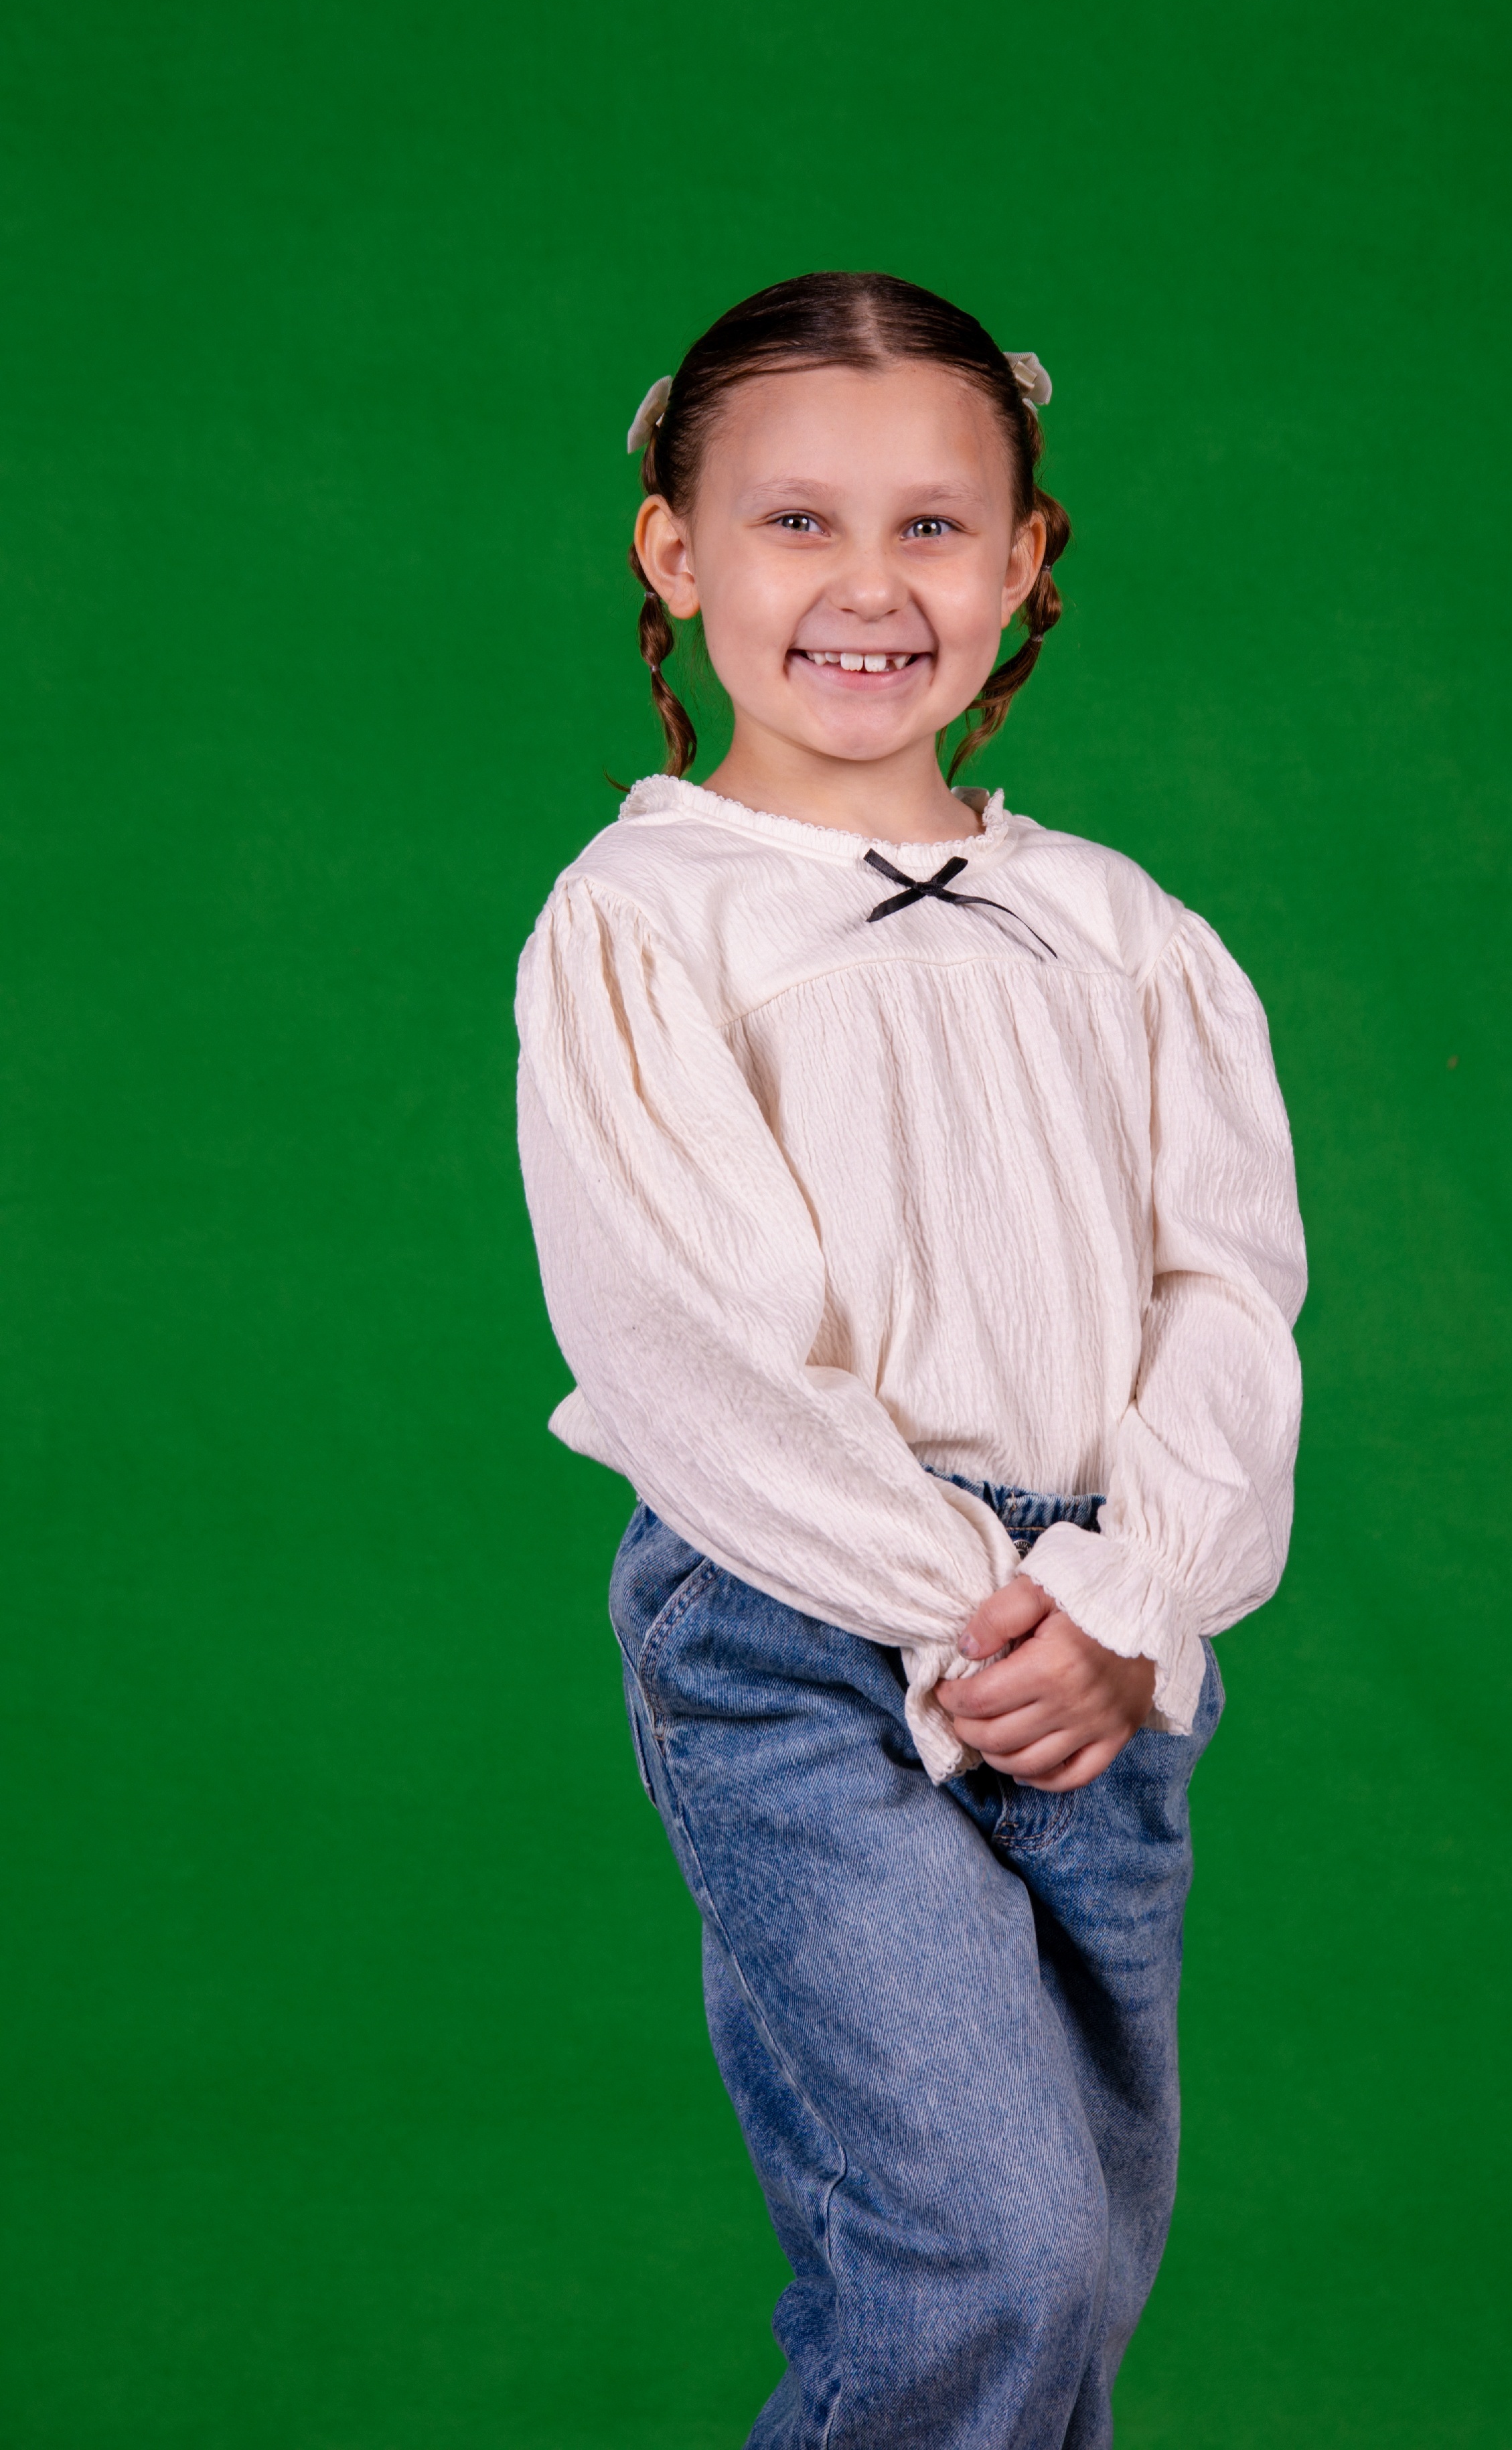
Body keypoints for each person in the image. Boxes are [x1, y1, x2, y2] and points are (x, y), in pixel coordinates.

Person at [514, 271, 1306, 2450]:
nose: (869, 587)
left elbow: (1228, 1291)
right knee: (986, 2255)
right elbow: (693, 1345)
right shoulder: (649, 919)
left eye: (934, 526)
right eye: (797, 522)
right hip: (812, 1625)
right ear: (676, 552)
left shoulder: (1128, 931)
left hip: (1108, 1648)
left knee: (1076, 2288)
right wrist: (975, 1601)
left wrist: (1132, 1599)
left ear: (1024, 558)